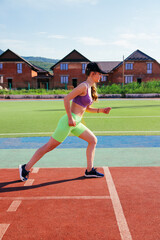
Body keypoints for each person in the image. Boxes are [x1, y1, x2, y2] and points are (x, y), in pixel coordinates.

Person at [19, 62, 111, 181]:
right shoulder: (83, 86)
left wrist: (101, 110)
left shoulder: (89, 87)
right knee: (49, 146)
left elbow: (86, 109)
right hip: (68, 122)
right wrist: (69, 117)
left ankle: (89, 170)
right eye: (99, 74)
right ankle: (25, 168)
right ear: (93, 74)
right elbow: (66, 99)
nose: (101, 76)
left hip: (76, 123)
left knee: (93, 140)